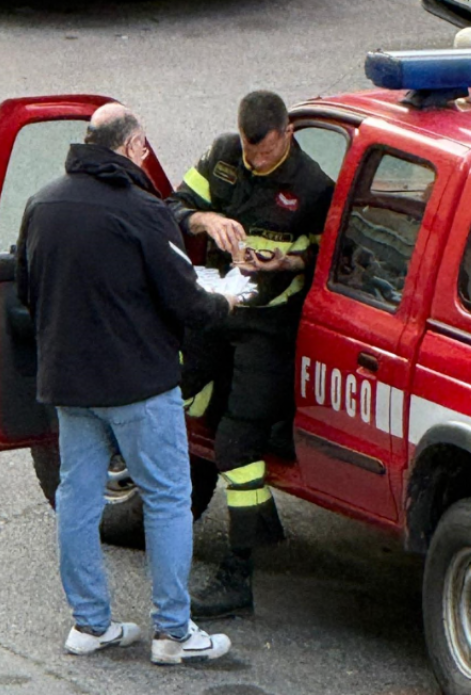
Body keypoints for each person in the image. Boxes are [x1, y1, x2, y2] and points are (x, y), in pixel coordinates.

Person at [16, 102, 234, 665]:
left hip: (68, 381)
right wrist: (226, 300)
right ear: (134, 146)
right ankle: (174, 633)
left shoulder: (41, 204)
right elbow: (184, 299)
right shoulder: (143, 212)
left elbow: (26, 291)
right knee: (167, 498)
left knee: (78, 499)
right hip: (138, 384)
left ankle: (90, 625)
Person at [167, 91, 334, 619]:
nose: (253, 162)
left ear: (286, 133)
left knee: (239, 445)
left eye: (262, 153)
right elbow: (168, 207)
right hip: (216, 306)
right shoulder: (222, 156)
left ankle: (239, 574)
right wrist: (204, 222)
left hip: (269, 329)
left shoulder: (313, 187)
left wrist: (287, 260)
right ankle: (173, 499)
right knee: (169, 391)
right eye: (246, 149)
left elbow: (333, 256)